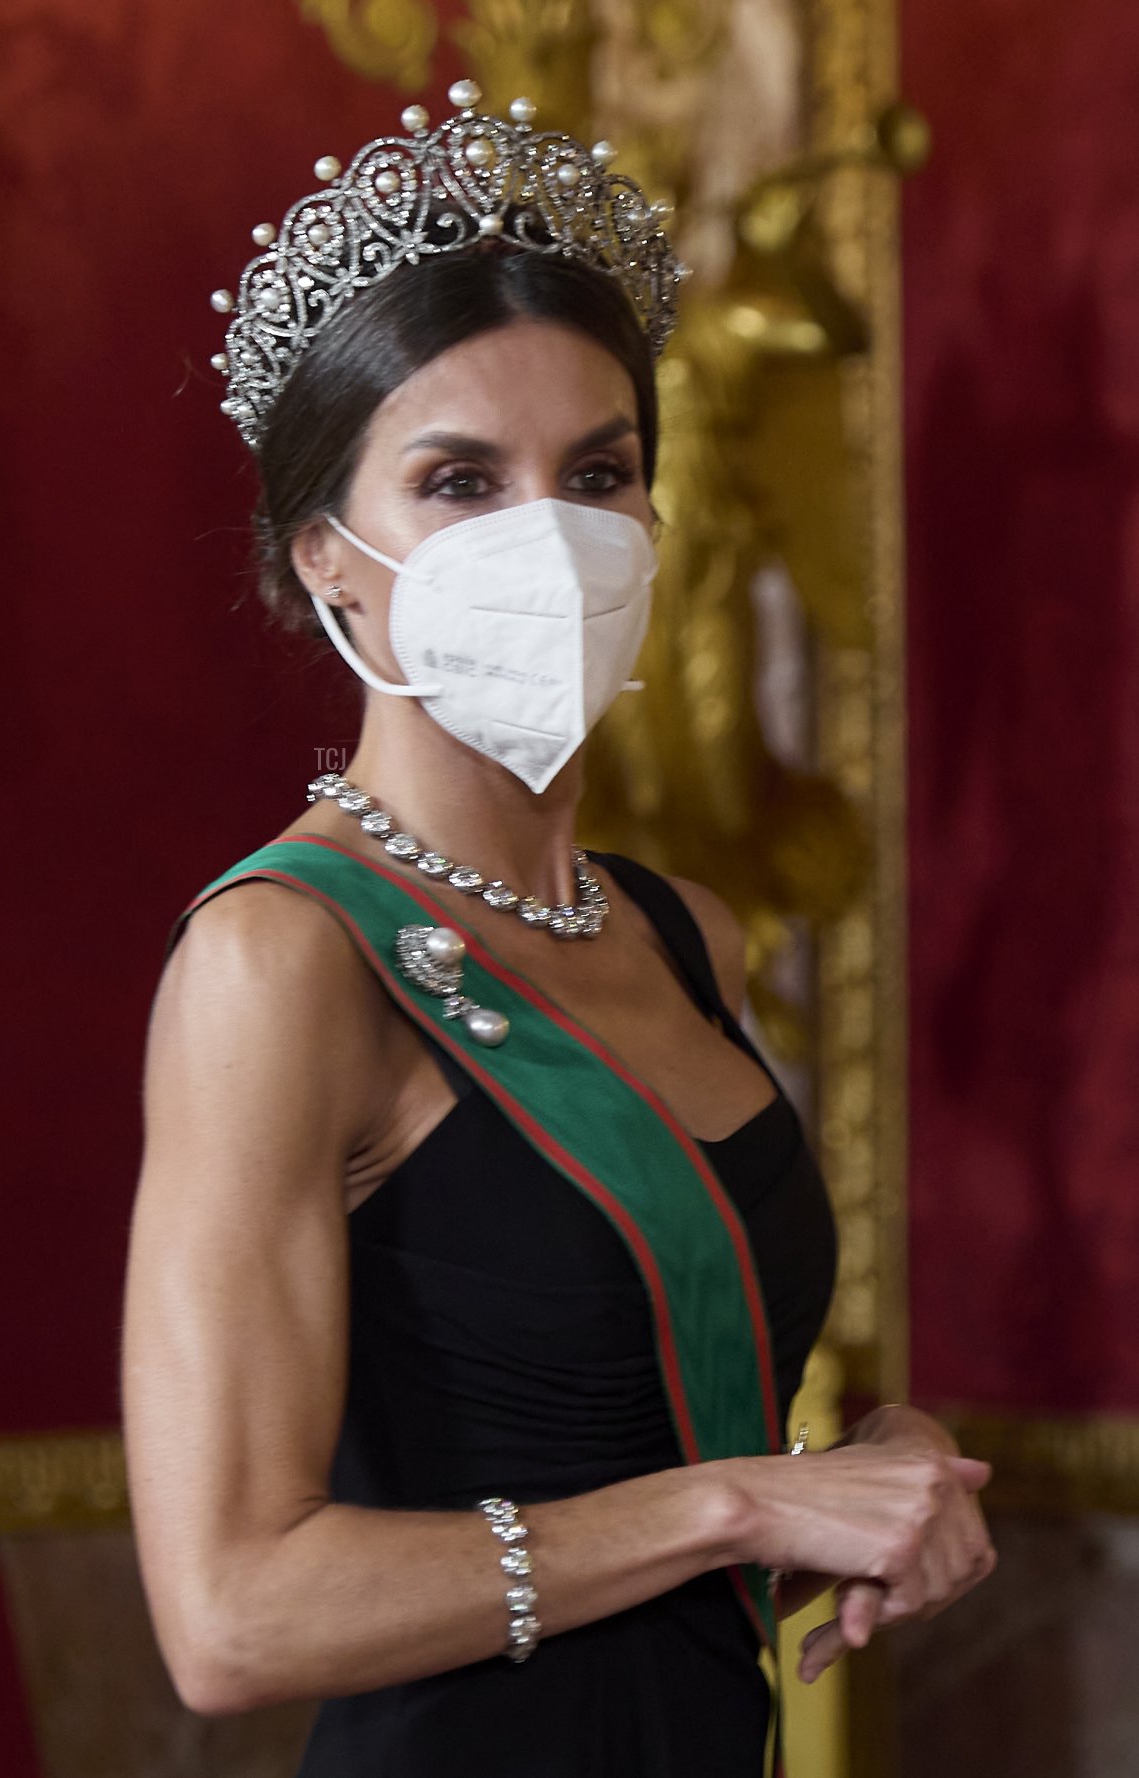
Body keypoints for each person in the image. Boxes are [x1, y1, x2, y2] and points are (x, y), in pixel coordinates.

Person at [121, 79, 996, 1778]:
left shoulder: (688, 936)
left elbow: (665, 1391)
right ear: (330, 562)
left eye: (598, 471)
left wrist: (886, 1465)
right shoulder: (285, 958)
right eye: (461, 480)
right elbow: (230, 1614)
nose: (552, 536)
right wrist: (741, 1496)